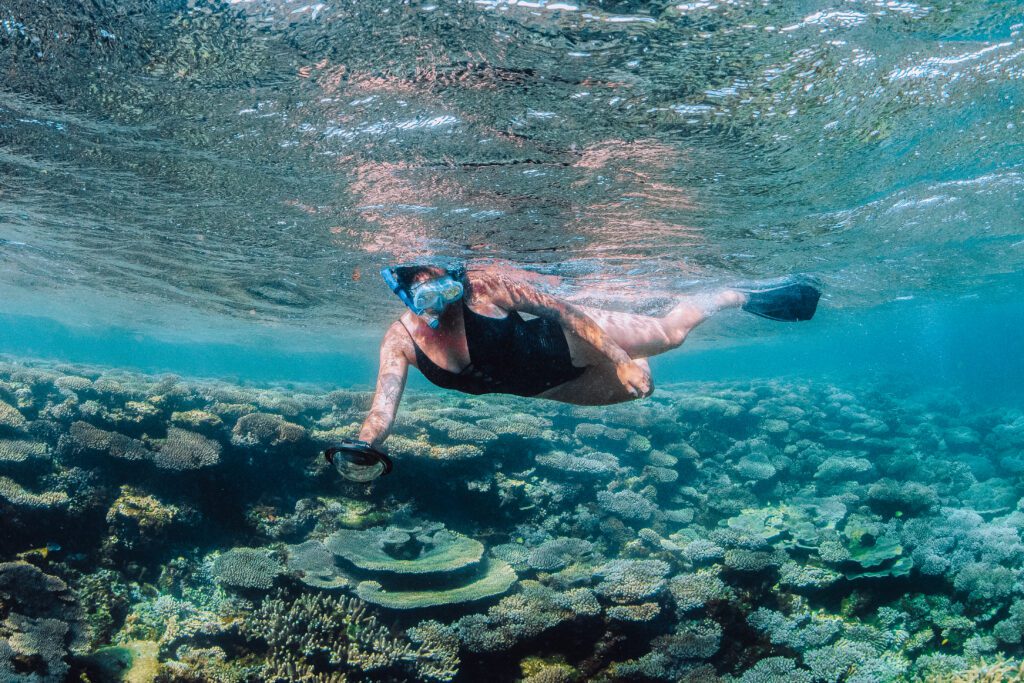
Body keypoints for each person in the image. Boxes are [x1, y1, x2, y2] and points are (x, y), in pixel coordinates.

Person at [327, 262, 820, 481]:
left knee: (671, 336)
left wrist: (621, 358)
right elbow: (382, 406)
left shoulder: (487, 288)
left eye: (440, 283)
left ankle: (739, 296)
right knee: (639, 395)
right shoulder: (400, 339)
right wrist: (365, 444)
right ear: (406, 288)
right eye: (421, 287)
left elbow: (566, 314)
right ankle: (627, 334)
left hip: (573, 344)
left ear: (450, 275)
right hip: (549, 387)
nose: (434, 296)